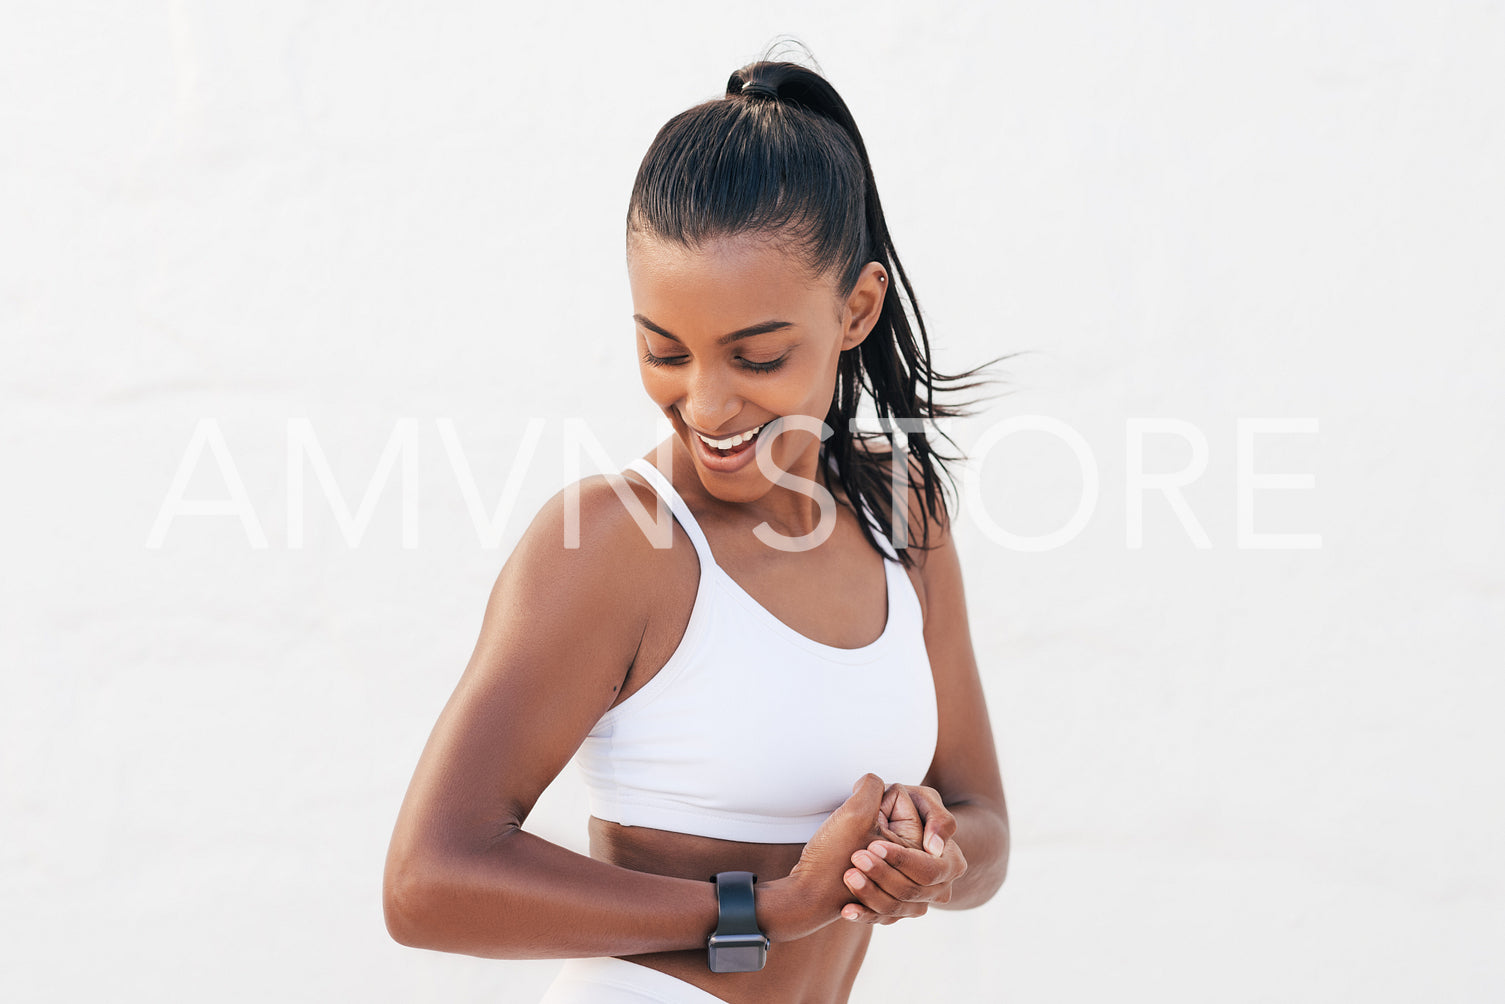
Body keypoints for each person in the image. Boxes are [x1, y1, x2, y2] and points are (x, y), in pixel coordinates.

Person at [383, 49, 1012, 1004]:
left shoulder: (902, 512)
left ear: (855, 309)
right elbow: (427, 884)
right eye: (662, 352)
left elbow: (983, 821)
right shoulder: (616, 543)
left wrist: (933, 855)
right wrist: (760, 907)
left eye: (755, 357)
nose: (705, 405)